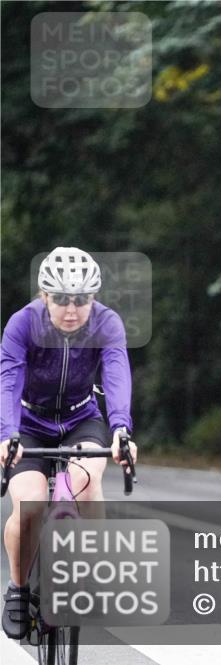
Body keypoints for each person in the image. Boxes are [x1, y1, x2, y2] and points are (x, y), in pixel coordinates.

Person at [0, 247, 138, 639]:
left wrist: (121, 430)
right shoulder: (21, 324)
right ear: (45, 295)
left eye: (81, 299)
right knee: (28, 506)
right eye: (61, 298)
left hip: (81, 419)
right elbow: (7, 381)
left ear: (93, 298)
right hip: (29, 422)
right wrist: (6, 433)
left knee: (87, 481)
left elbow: (116, 374)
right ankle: (19, 590)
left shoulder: (107, 324)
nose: (71, 309)